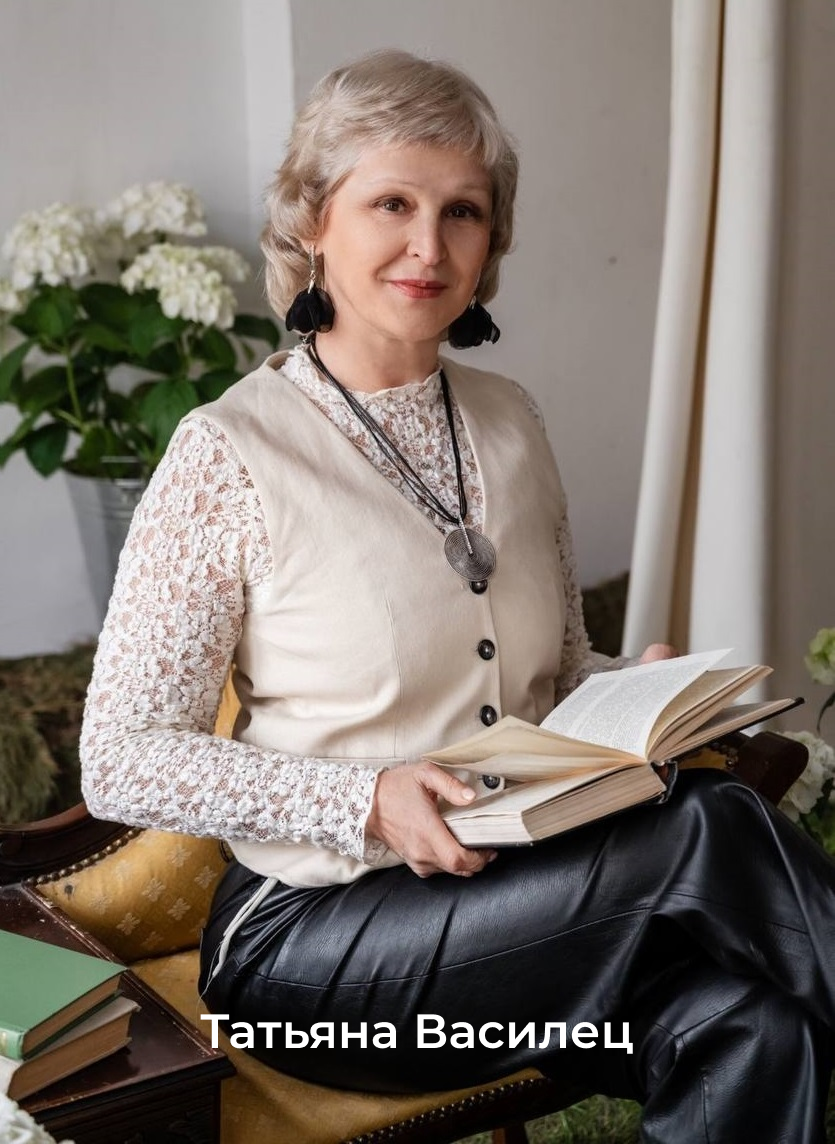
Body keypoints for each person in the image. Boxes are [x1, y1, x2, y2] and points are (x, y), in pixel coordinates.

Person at [81, 49, 835, 1141]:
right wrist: (365, 800)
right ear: (313, 222)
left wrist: (637, 694)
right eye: (392, 203)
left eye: (463, 212)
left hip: (525, 903)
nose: (429, 247)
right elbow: (120, 757)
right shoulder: (227, 453)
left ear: (492, 241)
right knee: (708, 826)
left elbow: (555, 675)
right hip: (309, 957)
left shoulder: (510, 420)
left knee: (755, 1022)